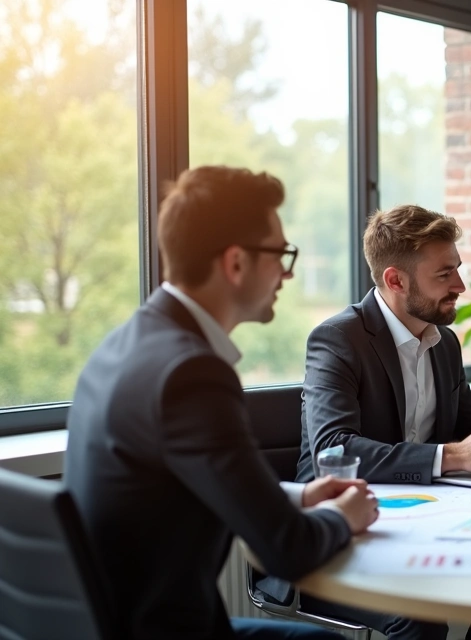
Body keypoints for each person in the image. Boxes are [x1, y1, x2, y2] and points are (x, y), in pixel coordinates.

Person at [63, 166, 380, 640]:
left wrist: (301, 495)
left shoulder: (127, 343)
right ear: (235, 263)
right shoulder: (192, 374)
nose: (288, 272)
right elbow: (287, 551)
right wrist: (342, 516)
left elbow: (192, 482)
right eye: (280, 254)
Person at [288, 203, 471, 640]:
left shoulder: (445, 343)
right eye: (444, 275)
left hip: (427, 523)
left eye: (457, 268)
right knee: (420, 618)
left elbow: (470, 423)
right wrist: (451, 456)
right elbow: (335, 450)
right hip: (344, 536)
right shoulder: (337, 339)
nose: (460, 285)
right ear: (395, 280)